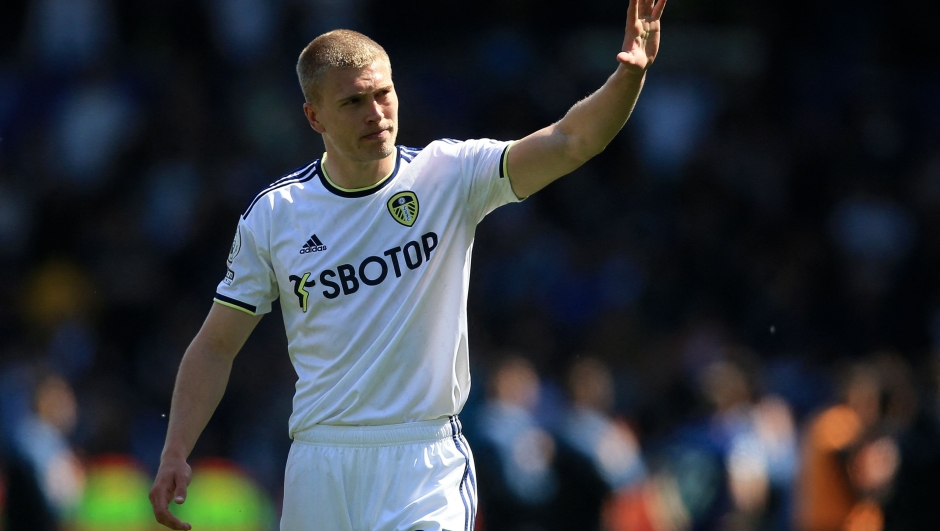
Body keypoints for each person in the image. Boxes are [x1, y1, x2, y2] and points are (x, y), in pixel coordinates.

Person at [149, 0, 668, 528]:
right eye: (352, 102)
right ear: (314, 116)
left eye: (383, 94)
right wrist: (175, 451)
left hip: (422, 461)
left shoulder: (449, 175)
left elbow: (571, 140)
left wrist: (629, 74)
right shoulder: (276, 215)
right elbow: (216, 345)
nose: (376, 115)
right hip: (319, 463)